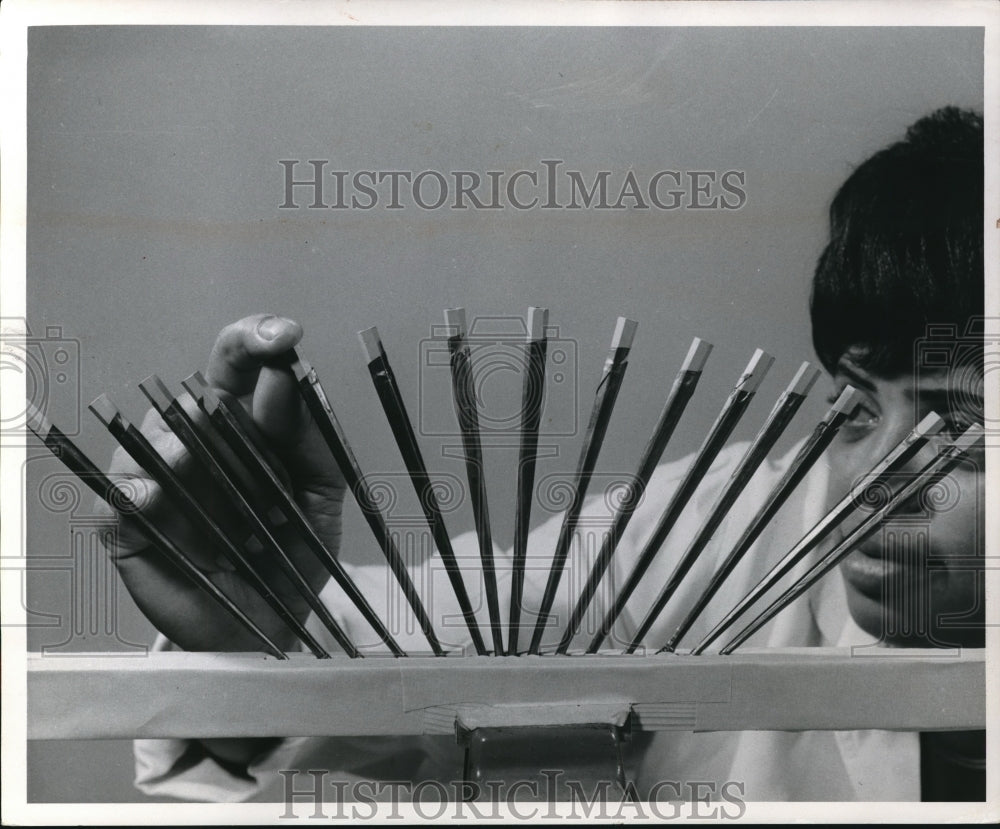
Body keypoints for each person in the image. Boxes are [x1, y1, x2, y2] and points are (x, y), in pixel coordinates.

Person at [104, 106, 985, 803]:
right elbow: (502, 621)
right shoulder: (724, 531)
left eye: (959, 430)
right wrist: (278, 632)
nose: (871, 486)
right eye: (858, 410)